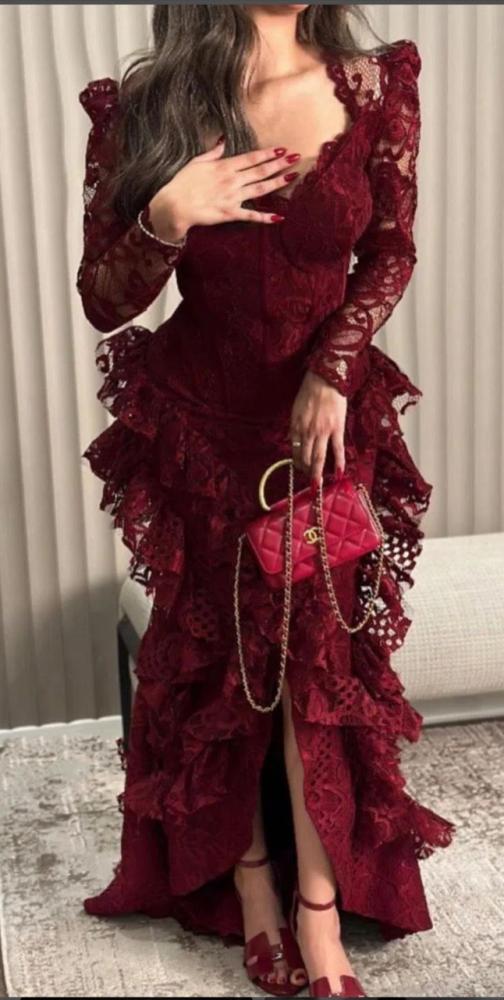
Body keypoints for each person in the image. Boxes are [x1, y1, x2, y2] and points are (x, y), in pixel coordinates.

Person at [77, 4, 455, 997]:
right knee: (226, 667)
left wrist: (335, 368)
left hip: (317, 434)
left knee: (316, 665)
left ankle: (318, 912)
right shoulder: (149, 108)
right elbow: (103, 298)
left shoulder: (372, 87)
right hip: (201, 434)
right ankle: (250, 885)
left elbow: (391, 249)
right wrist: (166, 217)